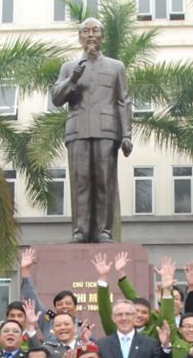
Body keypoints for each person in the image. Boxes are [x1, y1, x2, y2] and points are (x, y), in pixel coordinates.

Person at [51, 17, 132, 242]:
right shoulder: (69, 67)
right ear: (80, 38)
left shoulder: (116, 67)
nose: (90, 35)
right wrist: (72, 80)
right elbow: (57, 98)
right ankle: (81, 231)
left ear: (102, 37)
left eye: (95, 31)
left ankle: (103, 231)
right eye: (85, 31)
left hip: (107, 131)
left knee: (104, 182)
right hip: (77, 131)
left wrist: (126, 134)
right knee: (80, 182)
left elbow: (123, 101)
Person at [97, 299, 171, 358]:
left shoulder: (150, 343)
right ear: (113, 318)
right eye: (119, 314)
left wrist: (165, 346)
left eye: (128, 314)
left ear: (134, 316)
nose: (124, 318)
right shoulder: (101, 345)